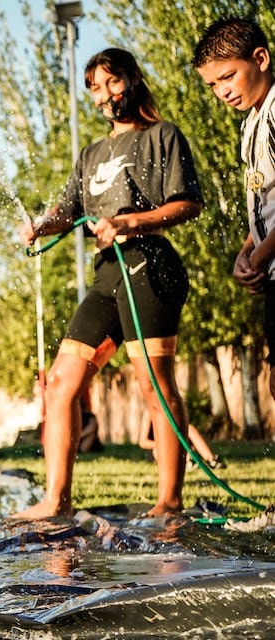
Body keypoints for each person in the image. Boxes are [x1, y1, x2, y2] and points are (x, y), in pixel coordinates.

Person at [14, 48, 203, 519]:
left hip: (151, 265)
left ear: (132, 80)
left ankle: (169, 501)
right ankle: (56, 500)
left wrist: (129, 222)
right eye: (95, 87)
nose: (104, 95)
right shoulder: (91, 154)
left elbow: (188, 203)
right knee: (61, 382)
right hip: (106, 274)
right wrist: (43, 224)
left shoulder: (163, 136)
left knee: (153, 385)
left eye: (111, 82)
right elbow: (70, 210)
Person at [194, 19, 275, 405]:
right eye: (212, 85)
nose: (222, 92)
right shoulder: (251, 123)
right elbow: (265, 201)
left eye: (228, 77)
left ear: (260, 58)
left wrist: (260, 257)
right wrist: (246, 253)